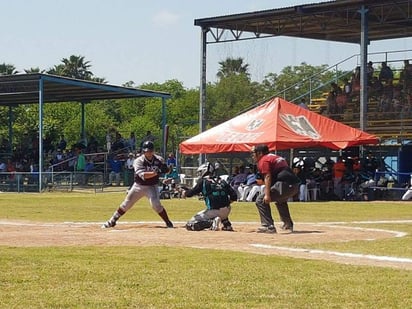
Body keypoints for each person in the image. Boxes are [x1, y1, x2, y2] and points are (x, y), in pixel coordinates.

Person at [102, 140, 173, 229]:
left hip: (152, 186)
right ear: (143, 151)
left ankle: (168, 222)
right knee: (126, 204)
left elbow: (166, 170)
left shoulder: (159, 159)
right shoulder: (138, 161)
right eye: (147, 151)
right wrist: (157, 172)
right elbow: (144, 176)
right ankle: (112, 220)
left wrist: (167, 169)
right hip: (139, 186)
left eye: (150, 151)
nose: (149, 153)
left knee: (156, 205)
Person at [251, 144, 300, 233]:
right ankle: (287, 224)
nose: (252, 155)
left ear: (260, 153)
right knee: (280, 200)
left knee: (260, 200)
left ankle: (268, 226)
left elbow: (268, 176)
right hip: (295, 185)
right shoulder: (276, 157)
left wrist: (267, 194)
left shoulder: (264, 160)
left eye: (254, 153)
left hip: (284, 184)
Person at [182, 162, 237, 231]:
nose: (199, 174)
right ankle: (227, 224)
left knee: (190, 224)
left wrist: (185, 193)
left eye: (200, 172)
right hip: (227, 210)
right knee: (221, 208)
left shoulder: (203, 181)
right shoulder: (222, 180)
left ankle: (211, 223)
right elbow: (234, 196)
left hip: (213, 211)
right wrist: (225, 204)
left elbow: (191, 193)